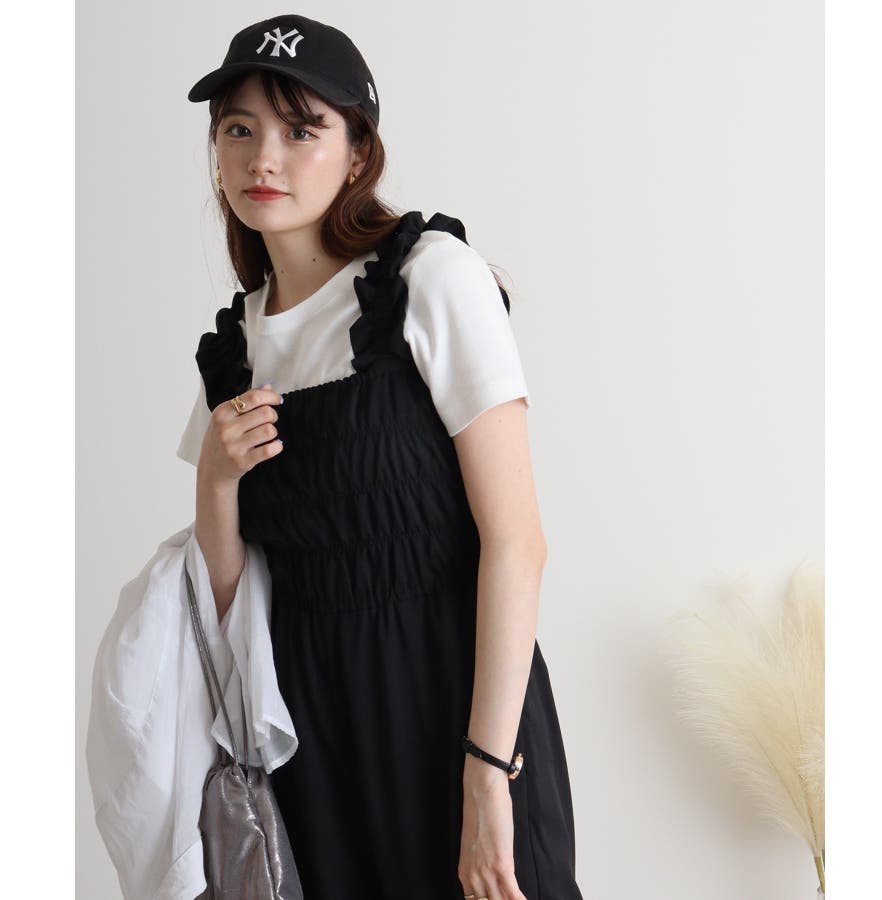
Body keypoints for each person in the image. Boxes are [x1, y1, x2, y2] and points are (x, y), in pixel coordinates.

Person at [180, 13, 584, 900]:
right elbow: (228, 606)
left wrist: (488, 771)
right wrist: (215, 476)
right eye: (238, 130)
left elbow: (517, 543)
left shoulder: (429, 275)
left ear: (358, 152)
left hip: (455, 705)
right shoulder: (233, 348)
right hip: (308, 739)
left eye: (301, 130)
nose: (263, 159)